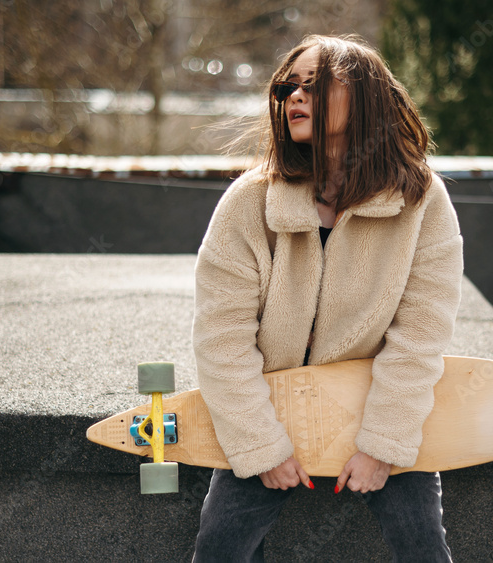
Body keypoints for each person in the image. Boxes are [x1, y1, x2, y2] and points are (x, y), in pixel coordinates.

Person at [191, 34, 462, 562]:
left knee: (423, 548)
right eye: (288, 87)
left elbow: (421, 336)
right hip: (268, 411)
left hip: (379, 408)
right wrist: (261, 448)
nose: (295, 96)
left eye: (313, 85)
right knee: (218, 550)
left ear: (364, 95)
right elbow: (220, 339)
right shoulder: (249, 201)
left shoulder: (420, 199)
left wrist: (382, 446)